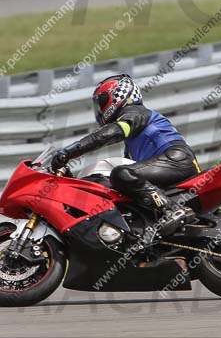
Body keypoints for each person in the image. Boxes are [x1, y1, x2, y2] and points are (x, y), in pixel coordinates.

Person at [51, 74, 201, 236]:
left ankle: (172, 210)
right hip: (172, 167)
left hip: (177, 160)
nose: (99, 109)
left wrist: (69, 152)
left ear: (118, 96)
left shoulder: (136, 113)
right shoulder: (131, 141)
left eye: (101, 102)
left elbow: (107, 135)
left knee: (122, 174)